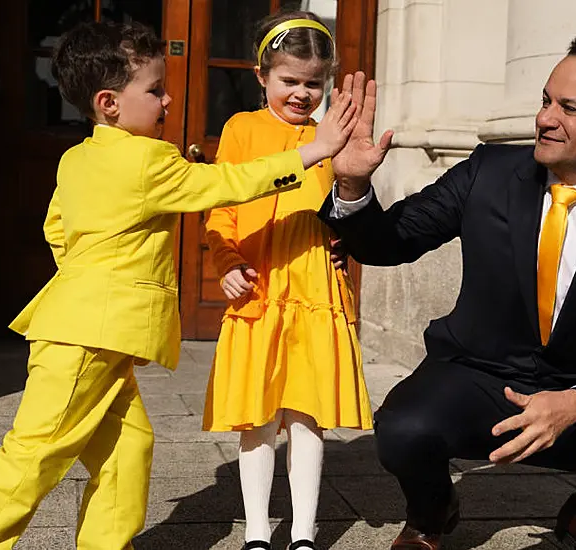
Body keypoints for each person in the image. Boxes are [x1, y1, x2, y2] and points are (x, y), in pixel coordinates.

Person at [0, 19, 359, 550]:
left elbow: (56, 230)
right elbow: (226, 184)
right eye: (156, 90)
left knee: (127, 449)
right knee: (33, 454)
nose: (167, 100)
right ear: (110, 102)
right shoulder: (150, 161)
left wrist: (88, 280)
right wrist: (311, 151)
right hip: (89, 336)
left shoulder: (77, 157)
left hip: (92, 329)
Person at [321, 33, 576, 550]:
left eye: (569, 108)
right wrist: (352, 186)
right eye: (545, 99)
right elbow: (389, 242)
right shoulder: (487, 172)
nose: (546, 118)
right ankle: (432, 512)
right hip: (476, 379)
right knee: (401, 429)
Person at [202, 11, 373, 550]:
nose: (301, 94)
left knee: (308, 415)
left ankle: (302, 533)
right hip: (260, 287)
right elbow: (220, 206)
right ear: (262, 75)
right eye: (290, 81)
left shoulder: (333, 136)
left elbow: (346, 209)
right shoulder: (242, 129)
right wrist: (225, 263)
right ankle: (256, 530)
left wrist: (353, 195)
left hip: (315, 288)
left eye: (313, 84)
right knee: (256, 417)